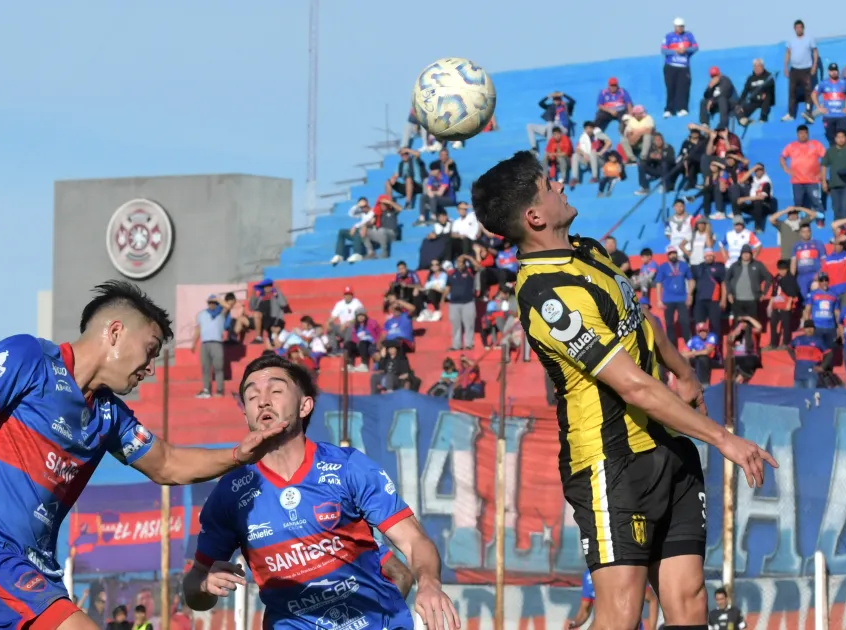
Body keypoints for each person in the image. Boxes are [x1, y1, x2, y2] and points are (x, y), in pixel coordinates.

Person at [471, 151, 776, 630]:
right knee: (621, 611)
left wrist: (685, 372)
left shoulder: (587, 249)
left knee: (690, 599)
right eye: (549, 186)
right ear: (534, 217)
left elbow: (638, 315)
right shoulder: (547, 296)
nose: (561, 187)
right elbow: (632, 386)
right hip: (611, 462)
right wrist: (722, 438)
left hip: (666, 444)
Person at [0, 281, 289, 630]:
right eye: (150, 350)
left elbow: (167, 463)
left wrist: (239, 454)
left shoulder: (109, 416)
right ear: (115, 332)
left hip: (38, 575)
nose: (151, 368)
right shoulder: (30, 358)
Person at [181, 354, 459, 630]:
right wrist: (204, 586)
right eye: (252, 396)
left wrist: (429, 584)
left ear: (305, 406)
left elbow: (414, 541)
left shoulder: (348, 468)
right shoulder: (230, 494)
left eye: (275, 391)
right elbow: (194, 589)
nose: (263, 401)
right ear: (246, 415)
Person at [567, 569, 659, 630]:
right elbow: (584, 611)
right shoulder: (588, 576)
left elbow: (652, 600)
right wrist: (574, 623)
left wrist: (652, 627)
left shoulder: (624, 573)